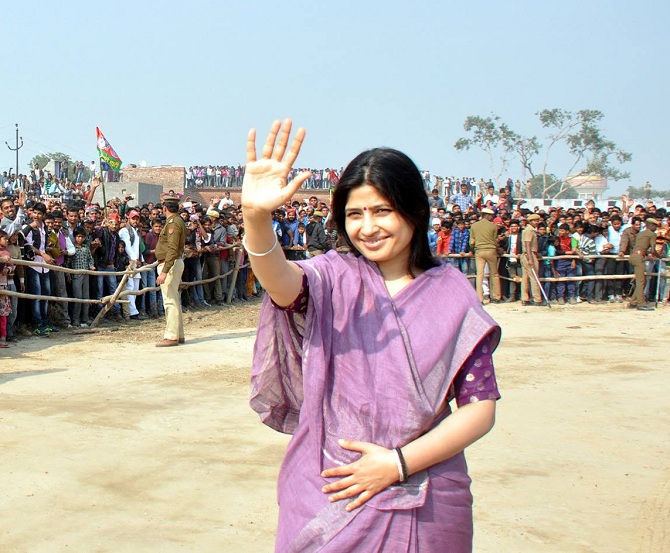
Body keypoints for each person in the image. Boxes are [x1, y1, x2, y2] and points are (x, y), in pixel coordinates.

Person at [244, 120, 500, 552]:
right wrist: (255, 217)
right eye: (355, 214)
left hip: (428, 500)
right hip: (328, 491)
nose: (368, 227)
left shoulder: (452, 294)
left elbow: (480, 409)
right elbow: (279, 282)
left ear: (415, 211)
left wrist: (396, 464)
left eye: (382, 211)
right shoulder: (331, 279)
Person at [154, 196, 186, 346]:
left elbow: (172, 248)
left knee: (170, 301)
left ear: (165, 208)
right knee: (174, 300)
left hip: (169, 264)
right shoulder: (176, 221)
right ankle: (178, 334)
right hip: (173, 262)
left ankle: (172, 336)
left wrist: (165, 271)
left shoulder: (173, 223)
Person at [469, 208, 502, 303]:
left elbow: (471, 242)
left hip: (479, 251)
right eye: (491, 216)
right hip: (491, 250)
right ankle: (496, 296)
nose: (492, 217)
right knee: (494, 274)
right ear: (487, 215)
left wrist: (472, 249)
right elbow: (495, 241)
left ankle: (480, 297)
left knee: (480, 274)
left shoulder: (474, 226)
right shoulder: (493, 226)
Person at [627, 217, 658, 311]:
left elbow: (640, 246)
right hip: (639, 257)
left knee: (641, 280)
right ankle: (641, 303)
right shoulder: (652, 234)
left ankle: (633, 301)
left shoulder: (640, 234)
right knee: (641, 281)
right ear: (651, 226)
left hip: (633, 256)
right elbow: (653, 250)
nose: (656, 228)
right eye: (655, 226)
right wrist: (659, 256)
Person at [521, 214, 544, 306]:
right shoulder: (529, 230)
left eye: (537, 220)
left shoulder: (531, 230)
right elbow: (527, 244)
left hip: (529, 254)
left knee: (526, 278)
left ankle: (525, 298)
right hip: (529, 255)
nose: (537, 222)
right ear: (530, 221)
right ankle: (537, 299)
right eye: (535, 221)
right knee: (534, 277)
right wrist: (530, 258)